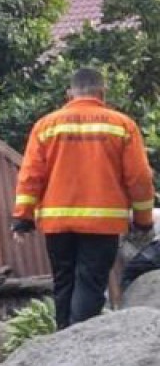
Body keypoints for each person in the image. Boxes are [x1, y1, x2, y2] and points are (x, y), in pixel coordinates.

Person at [11, 68, 154, 329]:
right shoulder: (121, 126)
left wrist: (23, 216)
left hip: (57, 223)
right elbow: (140, 178)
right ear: (102, 93)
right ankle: (78, 343)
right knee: (90, 283)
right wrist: (143, 220)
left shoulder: (46, 126)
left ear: (70, 93)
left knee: (63, 282)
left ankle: (63, 339)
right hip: (102, 224)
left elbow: (31, 175)